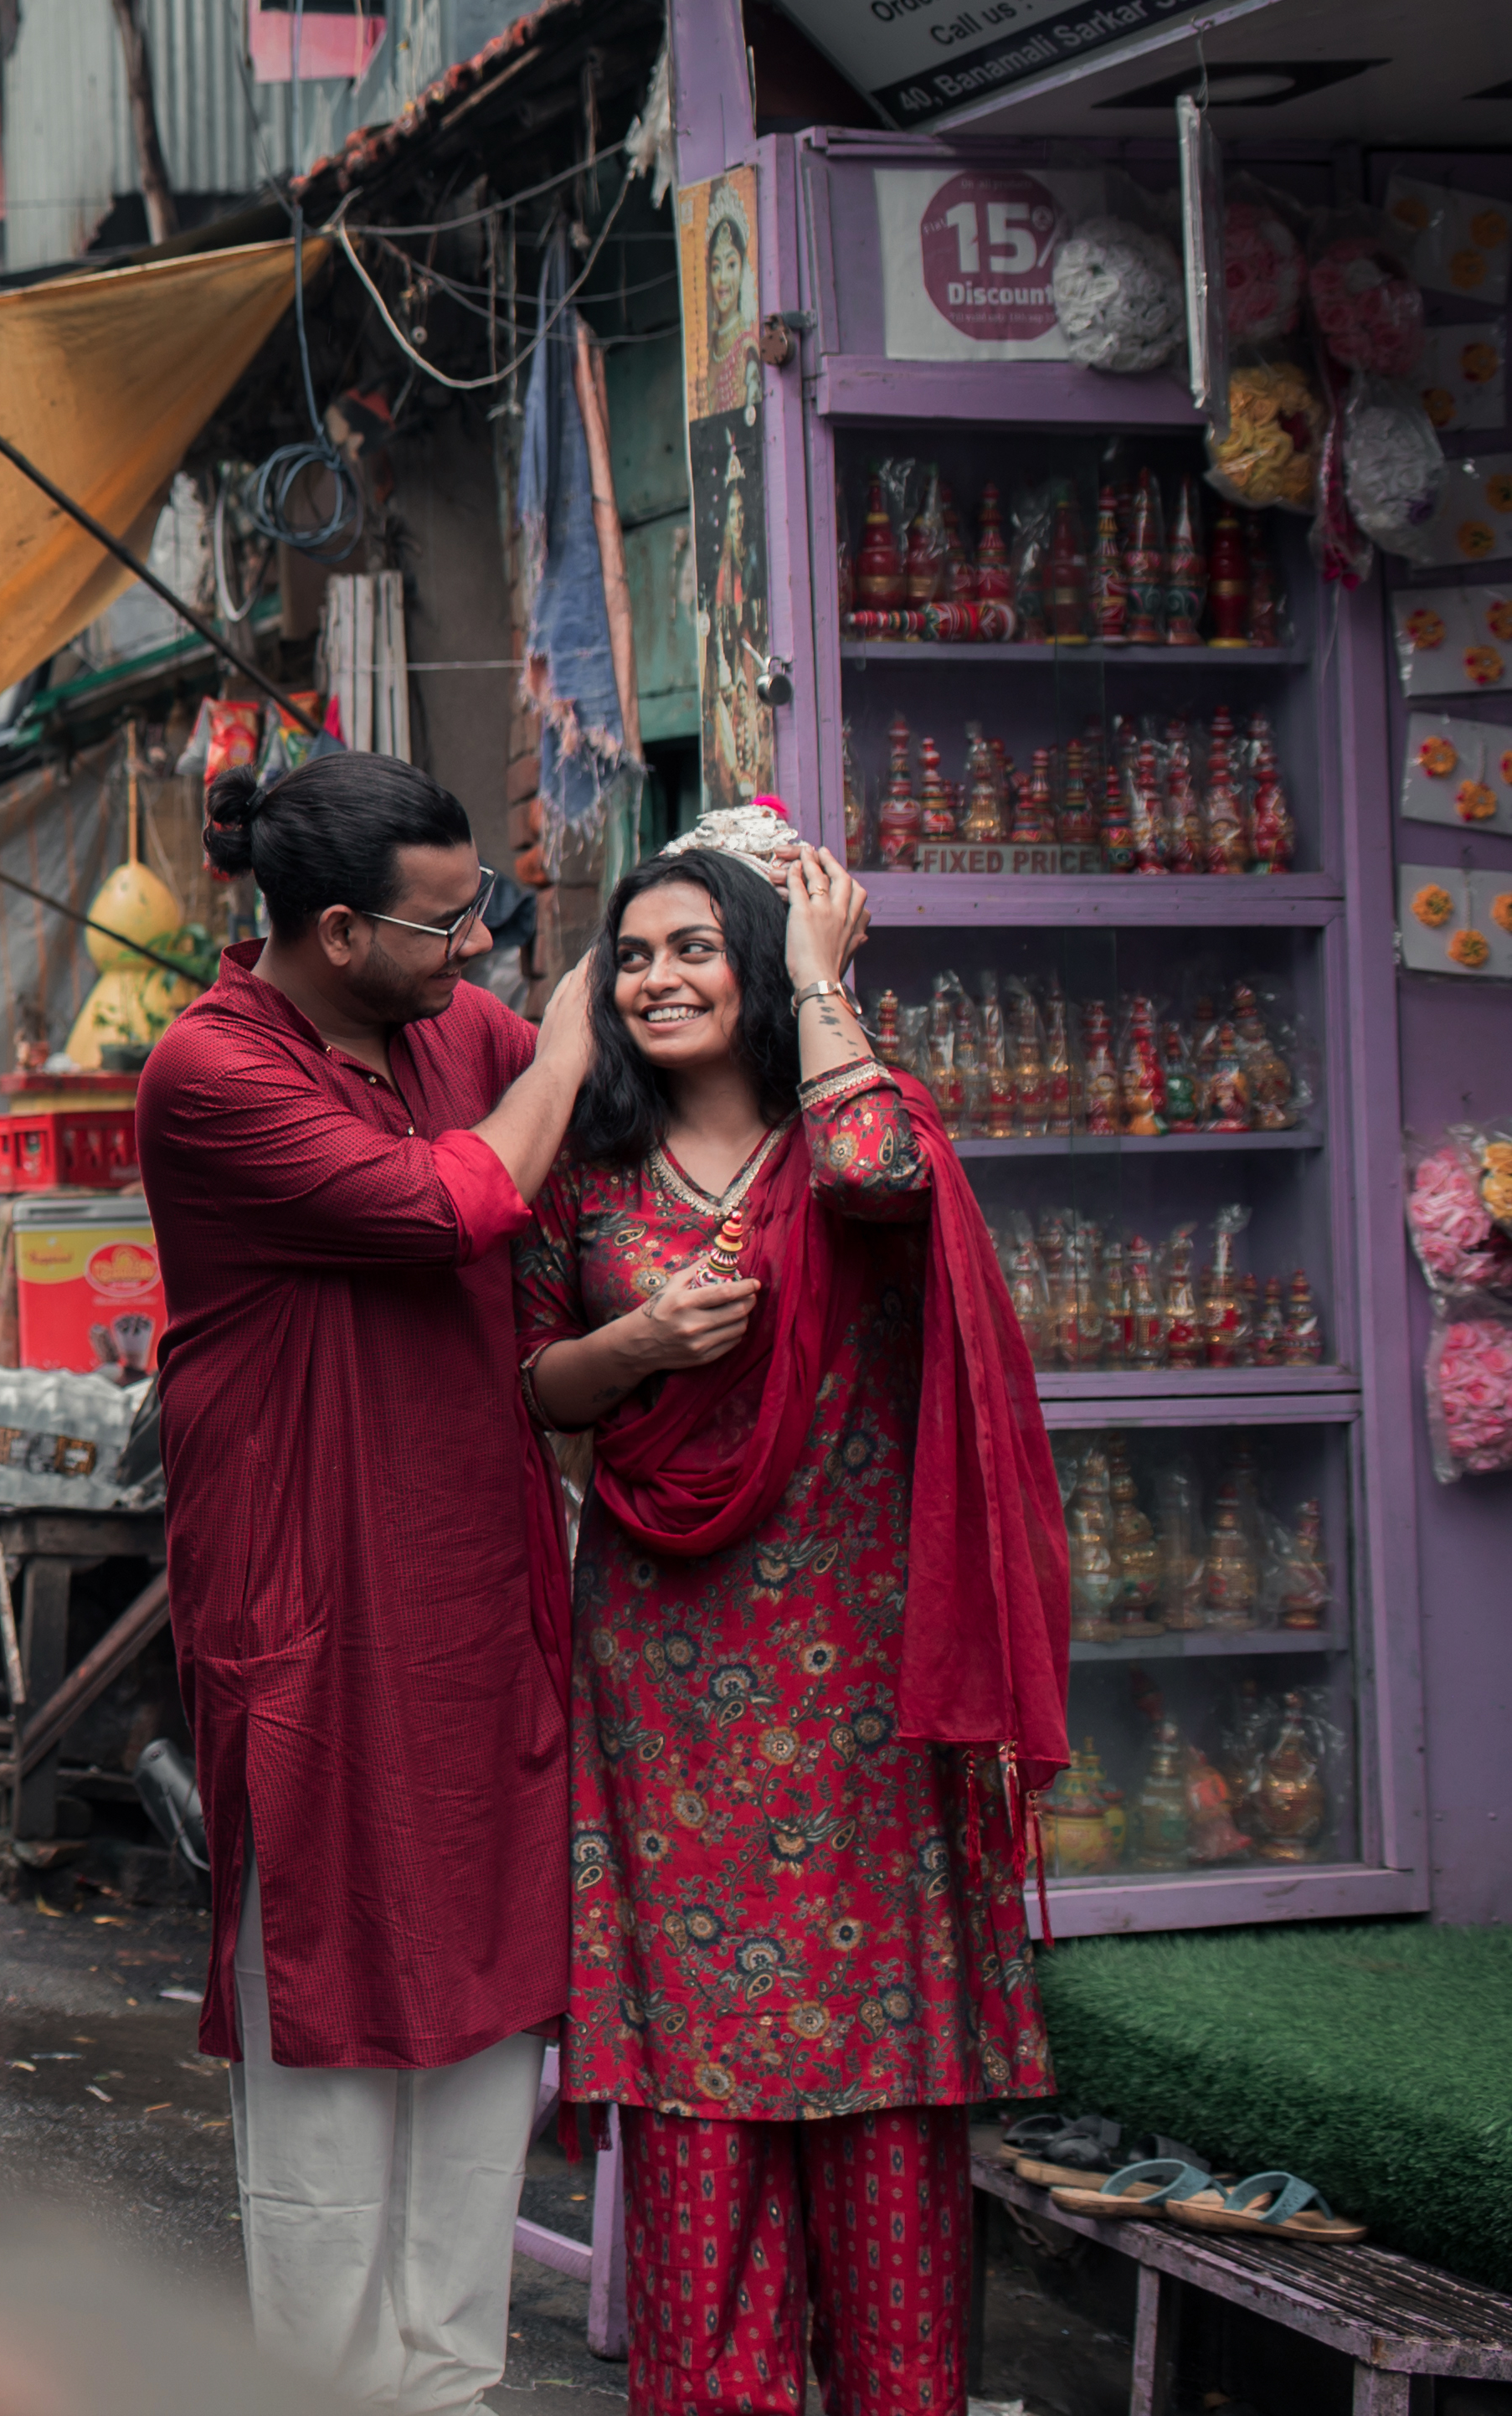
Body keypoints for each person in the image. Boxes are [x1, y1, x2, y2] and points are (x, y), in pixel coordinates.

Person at [517, 831, 1067, 2416]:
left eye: (693, 946)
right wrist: (637, 1339)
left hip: (860, 1681)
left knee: (885, 2101)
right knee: (697, 2100)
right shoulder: (592, 1175)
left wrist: (825, 977)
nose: (655, 978)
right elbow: (537, 1384)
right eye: (630, 955)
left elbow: (883, 1175)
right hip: (667, 1675)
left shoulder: (851, 1131)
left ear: (757, 965)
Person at [135, 750, 602, 2412]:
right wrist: (577, 1029)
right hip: (309, 1603)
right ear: (337, 930)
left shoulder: (441, 1029)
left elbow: (577, 1123)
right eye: (447, 919)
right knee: (329, 2012)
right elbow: (445, 1202)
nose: (477, 946)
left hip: (473, 1584)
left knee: (483, 2007)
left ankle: (450, 2384)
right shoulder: (212, 1067)